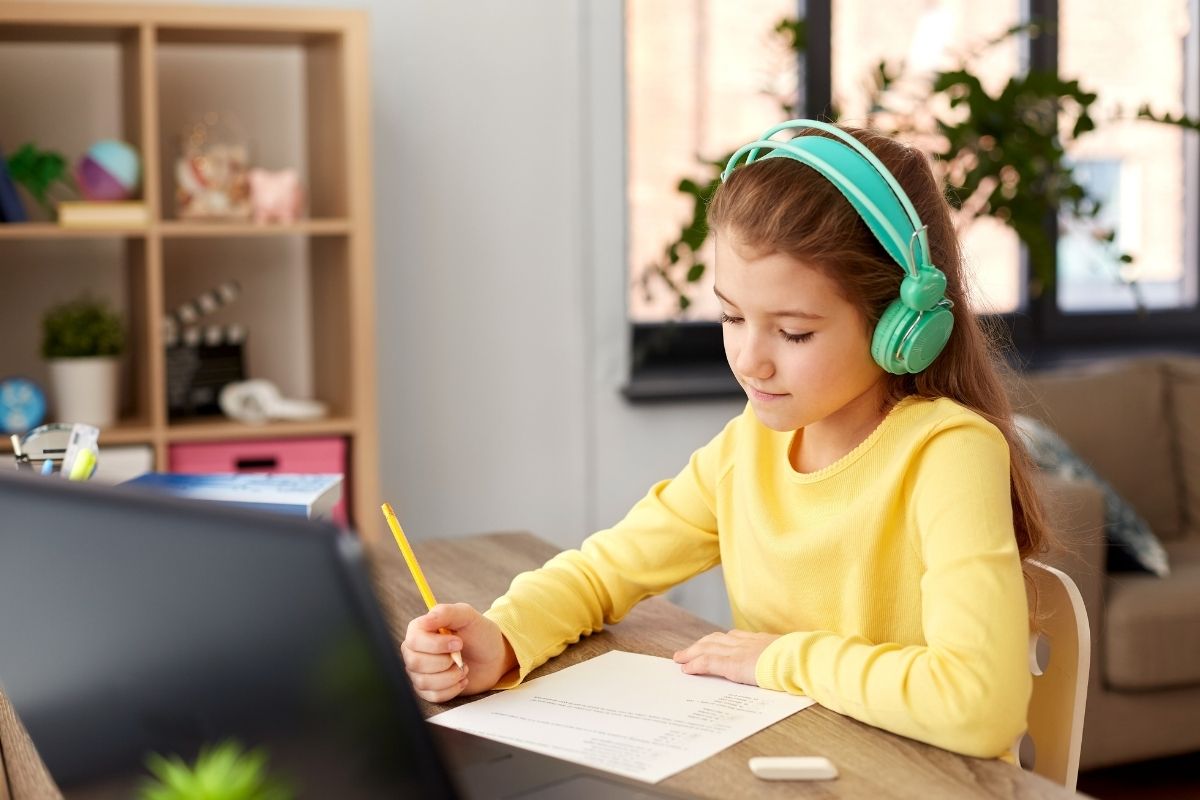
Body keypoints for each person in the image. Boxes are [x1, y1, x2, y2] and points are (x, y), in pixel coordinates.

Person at [401, 119, 1051, 760]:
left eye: (793, 332)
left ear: (902, 327)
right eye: (732, 316)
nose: (750, 360)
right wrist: (503, 638)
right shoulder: (748, 450)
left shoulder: (949, 455)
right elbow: (604, 571)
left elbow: (979, 706)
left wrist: (778, 657)